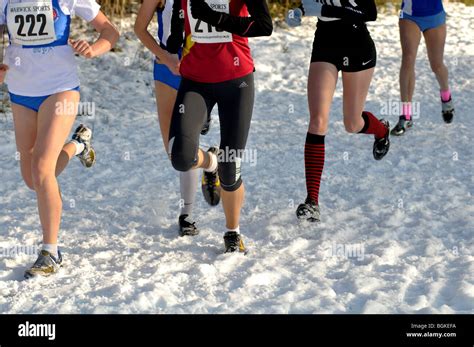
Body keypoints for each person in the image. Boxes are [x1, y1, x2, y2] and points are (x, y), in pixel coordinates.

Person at [0, 0, 119, 278]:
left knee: (42, 169)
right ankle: (79, 144)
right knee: (34, 180)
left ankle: (50, 252)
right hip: (20, 91)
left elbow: (110, 30)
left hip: (60, 88)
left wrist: (94, 49)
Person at [166, 0, 272, 252]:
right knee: (181, 157)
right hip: (195, 81)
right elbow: (177, 28)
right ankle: (210, 161)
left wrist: (213, 16)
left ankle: (232, 231)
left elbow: (264, 26)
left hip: (237, 82)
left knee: (231, 164)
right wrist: (173, 40)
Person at [296, 0, 390, 223]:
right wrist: (299, 11)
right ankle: (312, 202)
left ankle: (381, 130)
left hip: (357, 45)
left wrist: (326, 10)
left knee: (352, 124)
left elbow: (369, 12)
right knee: (317, 121)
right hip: (325, 43)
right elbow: (310, 3)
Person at [135, 0, 214, 237]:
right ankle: (212, 162)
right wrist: (165, 57)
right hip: (168, 65)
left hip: (202, 64)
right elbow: (139, 28)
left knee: (186, 142)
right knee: (174, 152)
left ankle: (186, 215)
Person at [391, 0, 454, 136]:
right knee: (408, 59)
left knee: (436, 65)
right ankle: (406, 116)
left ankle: (446, 96)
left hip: (434, 16)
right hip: (408, 15)